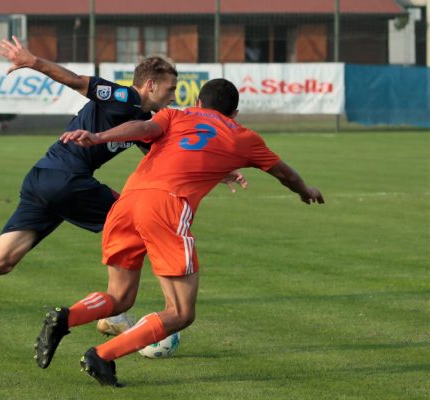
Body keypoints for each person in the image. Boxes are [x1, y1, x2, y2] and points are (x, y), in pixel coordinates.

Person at [0, 36, 181, 356]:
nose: (173, 96)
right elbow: (76, 81)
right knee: (133, 219)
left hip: (44, 177)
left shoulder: (142, 119)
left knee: (2, 260)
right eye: (170, 89)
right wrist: (33, 62)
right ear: (151, 85)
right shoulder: (125, 97)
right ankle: (114, 314)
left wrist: (218, 169)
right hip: (67, 178)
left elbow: (160, 150)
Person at [35, 78, 324, 387]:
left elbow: (144, 129)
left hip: (126, 203)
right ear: (235, 113)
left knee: (119, 297)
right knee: (181, 312)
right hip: (165, 207)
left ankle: (66, 318)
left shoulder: (177, 115)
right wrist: (304, 190)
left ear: (198, 103)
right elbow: (285, 173)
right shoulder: (244, 137)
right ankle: (102, 355)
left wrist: (98, 136)